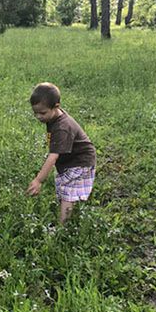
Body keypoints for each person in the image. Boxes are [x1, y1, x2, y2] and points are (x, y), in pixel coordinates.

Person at [25, 82, 97, 225]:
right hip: (71, 160)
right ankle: (73, 209)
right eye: (35, 113)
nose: (38, 117)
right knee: (66, 188)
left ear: (56, 107)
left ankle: (62, 227)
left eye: (42, 113)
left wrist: (39, 180)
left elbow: (53, 156)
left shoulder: (62, 127)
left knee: (67, 194)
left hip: (80, 162)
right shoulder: (54, 116)